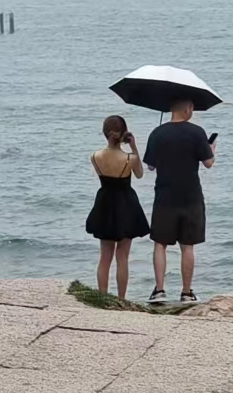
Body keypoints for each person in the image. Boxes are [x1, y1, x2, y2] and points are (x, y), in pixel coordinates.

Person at [143, 98, 216, 304]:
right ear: (188, 108)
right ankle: (186, 293)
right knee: (188, 245)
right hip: (190, 196)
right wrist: (212, 149)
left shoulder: (157, 133)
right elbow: (208, 163)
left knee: (160, 244)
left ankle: (159, 290)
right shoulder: (197, 132)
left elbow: (150, 166)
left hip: (165, 195)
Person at [85, 114, 150, 300]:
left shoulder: (94, 156)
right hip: (125, 204)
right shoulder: (129, 158)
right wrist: (134, 146)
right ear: (124, 134)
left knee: (104, 256)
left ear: (104, 133)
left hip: (105, 203)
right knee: (122, 257)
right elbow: (139, 174)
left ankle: (102, 297)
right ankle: (121, 299)